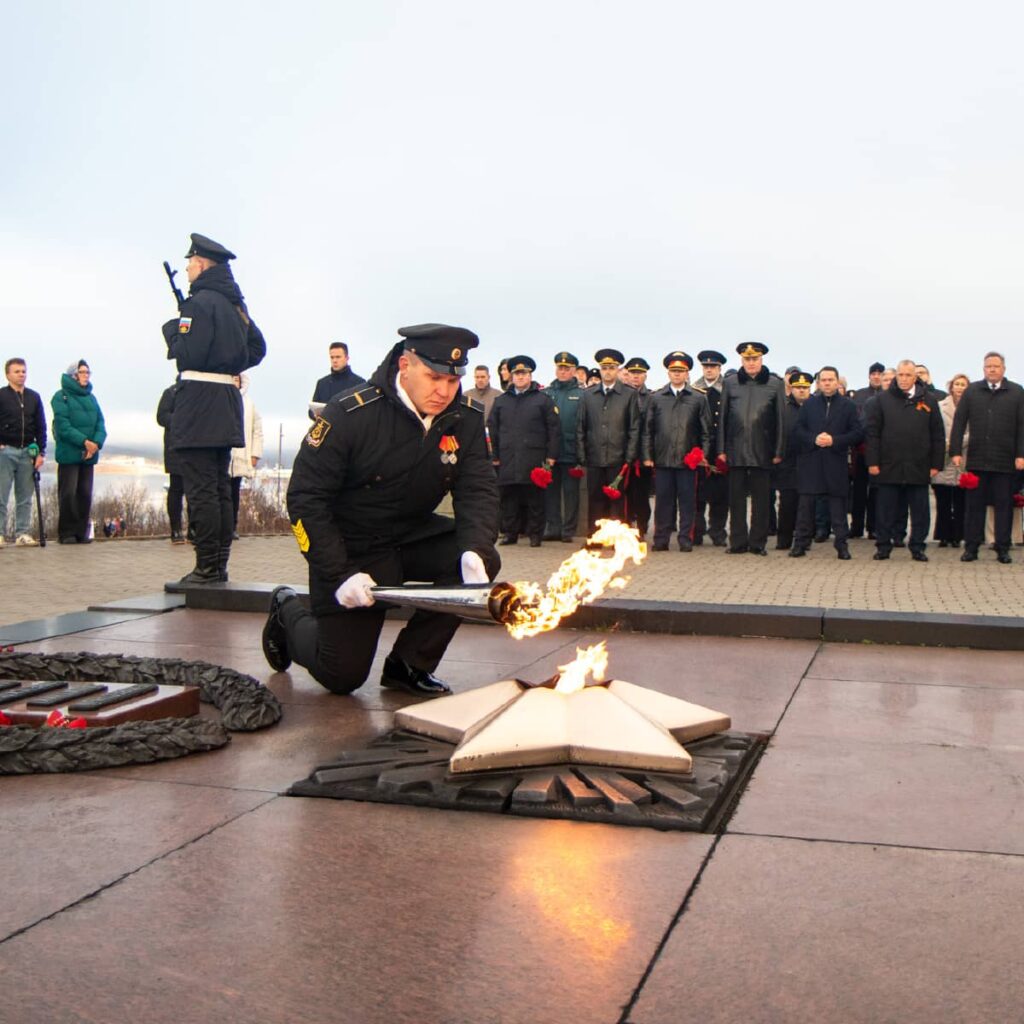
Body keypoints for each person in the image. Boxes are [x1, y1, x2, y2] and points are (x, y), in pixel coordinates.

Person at [261, 323, 500, 697]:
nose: (444, 391)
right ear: (405, 365)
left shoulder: (465, 416)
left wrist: (476, 548)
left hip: (410, 535)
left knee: (475, 559)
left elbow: (478, 487)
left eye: (453, 381)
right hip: (351, 545)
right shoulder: (350, 414)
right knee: (341, 675)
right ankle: (286, 610)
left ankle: (410, 664)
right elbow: (306, 499)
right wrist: (339, 573)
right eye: (434, 377)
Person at [162, 233, 266, 584]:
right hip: (225, 402)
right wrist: (229, 361)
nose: (188, 268)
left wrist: (173, 332)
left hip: (199, 402)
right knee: (220, 487)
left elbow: (187, 354)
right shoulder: (235, 305)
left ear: (202, 264)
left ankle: (206, 567)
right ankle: (218, 563)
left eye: (190, 262)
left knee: (202, 489)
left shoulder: (199, 303)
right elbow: (257, 348)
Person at [864, 360, 944, 561]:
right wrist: (872, 462)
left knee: (920, 511)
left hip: (919, 466)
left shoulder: (929, 400)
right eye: (900, 375)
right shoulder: (882, 400)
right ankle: (883, 546)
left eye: (908, 375)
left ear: (915, 377)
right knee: (885, 509)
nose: (904, 379)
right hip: (888, 465)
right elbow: (872, 434)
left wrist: (936, 464)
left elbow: (937, 434)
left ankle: (917, 546)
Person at [949, 352, 1024, 564]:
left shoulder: (1017, 392)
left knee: (1003, 506)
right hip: (977, 460)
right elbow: (959, 422)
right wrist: (955, 451)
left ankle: (1002, 548)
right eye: (988, 366)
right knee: (974, 507)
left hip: (1005, 460)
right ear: (983, 369)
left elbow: (1022, 426)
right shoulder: (973, 391)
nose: (992, 369)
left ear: (1004, 369)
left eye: (996, 366)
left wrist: (1021, 454)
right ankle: (971, 548)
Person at [716, 342, 786, 555]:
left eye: (754, 359)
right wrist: (721, 449)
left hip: (762, 449)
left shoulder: (775, 384)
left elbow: (781, 420)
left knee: (762, 501)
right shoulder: (730, 382)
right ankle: (737, 542)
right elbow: (724, 419)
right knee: (735, 499)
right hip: (735, 449)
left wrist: (779, 450)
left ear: (761, 359)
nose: (751, 363)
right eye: (747, 359)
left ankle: (758, 543)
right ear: (742, 360)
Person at [789, 367, 863, 560]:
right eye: (824, 380)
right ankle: (800, 544)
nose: (827, 383)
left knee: (838, 511)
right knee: (805, 509)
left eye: (831, 380)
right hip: (811, 462)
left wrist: (835, 440)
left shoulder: (848, 406)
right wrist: (814, 438)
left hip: (835, 463)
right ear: (818, 383)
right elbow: (798, 431)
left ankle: (842, 546)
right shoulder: (809, 405)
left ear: (837, 382)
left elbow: (857, 433)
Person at [642, 352, 711, 551]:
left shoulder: (698, 398)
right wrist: (647, 456)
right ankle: (661, 540)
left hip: (687, 461)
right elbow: (648, 430)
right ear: (668, 373)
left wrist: (702, 455)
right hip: (663, 459)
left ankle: (685, 539)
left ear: (687, 373)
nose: (677, 375)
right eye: (673, 371)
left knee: (688, 503)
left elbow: (706, 431)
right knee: (663, 503)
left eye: (681, 371)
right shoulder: (656, 398)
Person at [487, 355, 560, 547]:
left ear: (530, 375)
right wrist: (494, 455)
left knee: (535, 500)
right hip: (507, 457)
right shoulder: (501, 401)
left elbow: (554, 429)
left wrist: (551, 456)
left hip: (534, 458)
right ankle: (510, 533)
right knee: (509, 499)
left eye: (524, 373)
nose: (520, 377)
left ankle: (535, 535)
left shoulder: (542, 400)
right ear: (510, 376)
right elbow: (492, 429)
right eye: (516, 374)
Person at [575, 349, 641, 534]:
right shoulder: (588, 395)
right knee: (595, 499)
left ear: (618, 369)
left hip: (618, 456)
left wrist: (629, 456)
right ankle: (594, 537)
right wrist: (582, 454)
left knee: (617, 500)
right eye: (604, 368)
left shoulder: (628, 395)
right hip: (594, 455)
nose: (608, 372)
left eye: (612, 368)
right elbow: (581, 426)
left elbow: (634, 427)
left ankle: (615, 538)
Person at [51, 360, 106, 545]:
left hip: (89, 454)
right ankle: (67, 533)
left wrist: (96, 443)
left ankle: (82, 532)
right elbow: (63, 426)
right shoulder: (61, 397)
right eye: (82, 372)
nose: (86, 376)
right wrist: (85, 442)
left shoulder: (92, 398)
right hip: (70, 453)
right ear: (73, 375)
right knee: (68, 493)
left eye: (88, 372)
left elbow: (100, 423)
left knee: (84, 493)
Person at [0, 357, 47, 547]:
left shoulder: (34, 397)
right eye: (17, 371)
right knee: (1, 495)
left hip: (28, 452)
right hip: (6, 452)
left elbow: (41, 426)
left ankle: (22, 533)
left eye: (24, 371)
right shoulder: (1, 396)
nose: (21, 375)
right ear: (8, 374)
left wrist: (41, 452)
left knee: (25, 496)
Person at [543, 351, 584, 542]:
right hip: (551, 452)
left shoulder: (581, 395)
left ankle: (569, 530)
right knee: (550, 493)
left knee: (571, 494)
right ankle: (553, 527)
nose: (563, 371)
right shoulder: (547, 394)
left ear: (574, 370)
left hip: (571, 451)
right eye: (560, 368)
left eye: (567, 368)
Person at [692, 350, 729, 546]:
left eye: (713, 366)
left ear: (719, 368)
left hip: (720, 449)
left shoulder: (728, 389)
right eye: (706, 366)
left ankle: (718, 532)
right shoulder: (694, 389)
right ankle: (696, 532)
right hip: (699, 450)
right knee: (697, 495)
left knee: (720, 496)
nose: (709, 370)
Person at [773, 370, 812, 550]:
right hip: (788, 462)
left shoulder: (815, 408)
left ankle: (804, 540)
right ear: (791, 388)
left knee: (807, 505)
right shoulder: (784, 408)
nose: (801, 391)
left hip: (810, 462)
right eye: (798, 387)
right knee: (787, 504)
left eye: (805, 387)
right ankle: (784, 540)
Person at [931, 373, 970, 548]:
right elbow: (935, 428)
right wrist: (944, 443)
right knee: (944, 501)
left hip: (964, 456)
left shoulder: (973, 407)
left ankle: (958, 536)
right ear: (951, 387)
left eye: (964, 384)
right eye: (957, 384)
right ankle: (943, 535)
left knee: (961, 501)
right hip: (944, 456)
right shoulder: (940, 406)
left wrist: (956, 443)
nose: (960, 387)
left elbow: (974, 431)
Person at [849, 361, 884, 538]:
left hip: (879, 453)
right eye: (873, 373)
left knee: (876, 492)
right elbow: (855, 421)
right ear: (869, 376)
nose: (876, 376)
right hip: (861, 450)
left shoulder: (887, 396)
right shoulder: (860, 395)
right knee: (859, 492)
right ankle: (856, 527)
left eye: (879, 373)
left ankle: (874, 528)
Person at [228, 373, 264, 538]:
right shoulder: (220, 399)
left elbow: (257, 430)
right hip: (224, 455)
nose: (235, 382)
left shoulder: (249, 404)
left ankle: (232, 527)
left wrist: (255, 454)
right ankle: (219, 527)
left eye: (237, 379)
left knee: (234, 492)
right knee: (220, 493)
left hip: (241, 455)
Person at [623, 356, 654, 538]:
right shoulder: (621, 395)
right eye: (633, 373)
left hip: (643, 456)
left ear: (645, 376)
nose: (636, 377)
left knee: (642, 495)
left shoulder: (652, 398)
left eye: (639, 373)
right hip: (624, 453)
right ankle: (626, 526)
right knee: (625, 495)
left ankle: (642, 527)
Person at [156, 381, 187, 543]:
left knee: (196, 490)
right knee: (176, 488)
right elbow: (161, 416)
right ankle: (176, 529)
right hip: (175, 447)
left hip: (196, 447)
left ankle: (195, 529)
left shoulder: (199, 391)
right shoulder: (171, 392)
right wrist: (180, 419)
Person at [310, 342, 365, 415]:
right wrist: (315, 415)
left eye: (338, 357)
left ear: (347, 358)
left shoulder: (359, 383)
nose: (334, 361)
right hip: (328, 425)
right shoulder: (322, 383)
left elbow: (364, 411)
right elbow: (311, 410)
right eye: (332, 357)